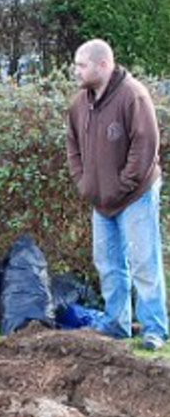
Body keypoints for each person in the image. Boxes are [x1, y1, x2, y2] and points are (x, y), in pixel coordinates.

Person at [66, 38, 168, 351]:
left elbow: (145, 147)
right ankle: (116, 325)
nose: (76, 71)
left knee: (144, 262)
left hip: (135, 195)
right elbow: (72, 146)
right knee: (108, 264)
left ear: (103, 64)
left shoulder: (132, 96)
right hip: (100, 201)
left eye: (82, 65)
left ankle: (154, 329)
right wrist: (84, 183)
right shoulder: (79, 103)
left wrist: (121, 185)